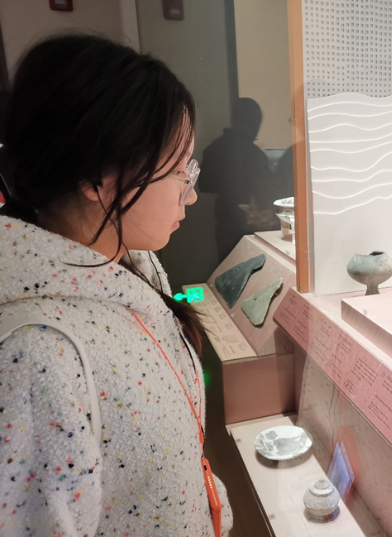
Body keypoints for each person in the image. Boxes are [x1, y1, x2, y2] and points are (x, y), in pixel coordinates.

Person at [0, 35, 233, 536]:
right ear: (96, 179)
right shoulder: (35, 355)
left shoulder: (134, 262)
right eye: (178, 171)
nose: (190, 195)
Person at [200, 98, 279, 260]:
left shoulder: (215, 147)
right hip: (252, 223)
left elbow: (204, 185)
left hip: (225, 222)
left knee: (227, 265)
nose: (257, 127)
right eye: (256, 121)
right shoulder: (253, 153)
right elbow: (266, 194)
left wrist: (225, 185)